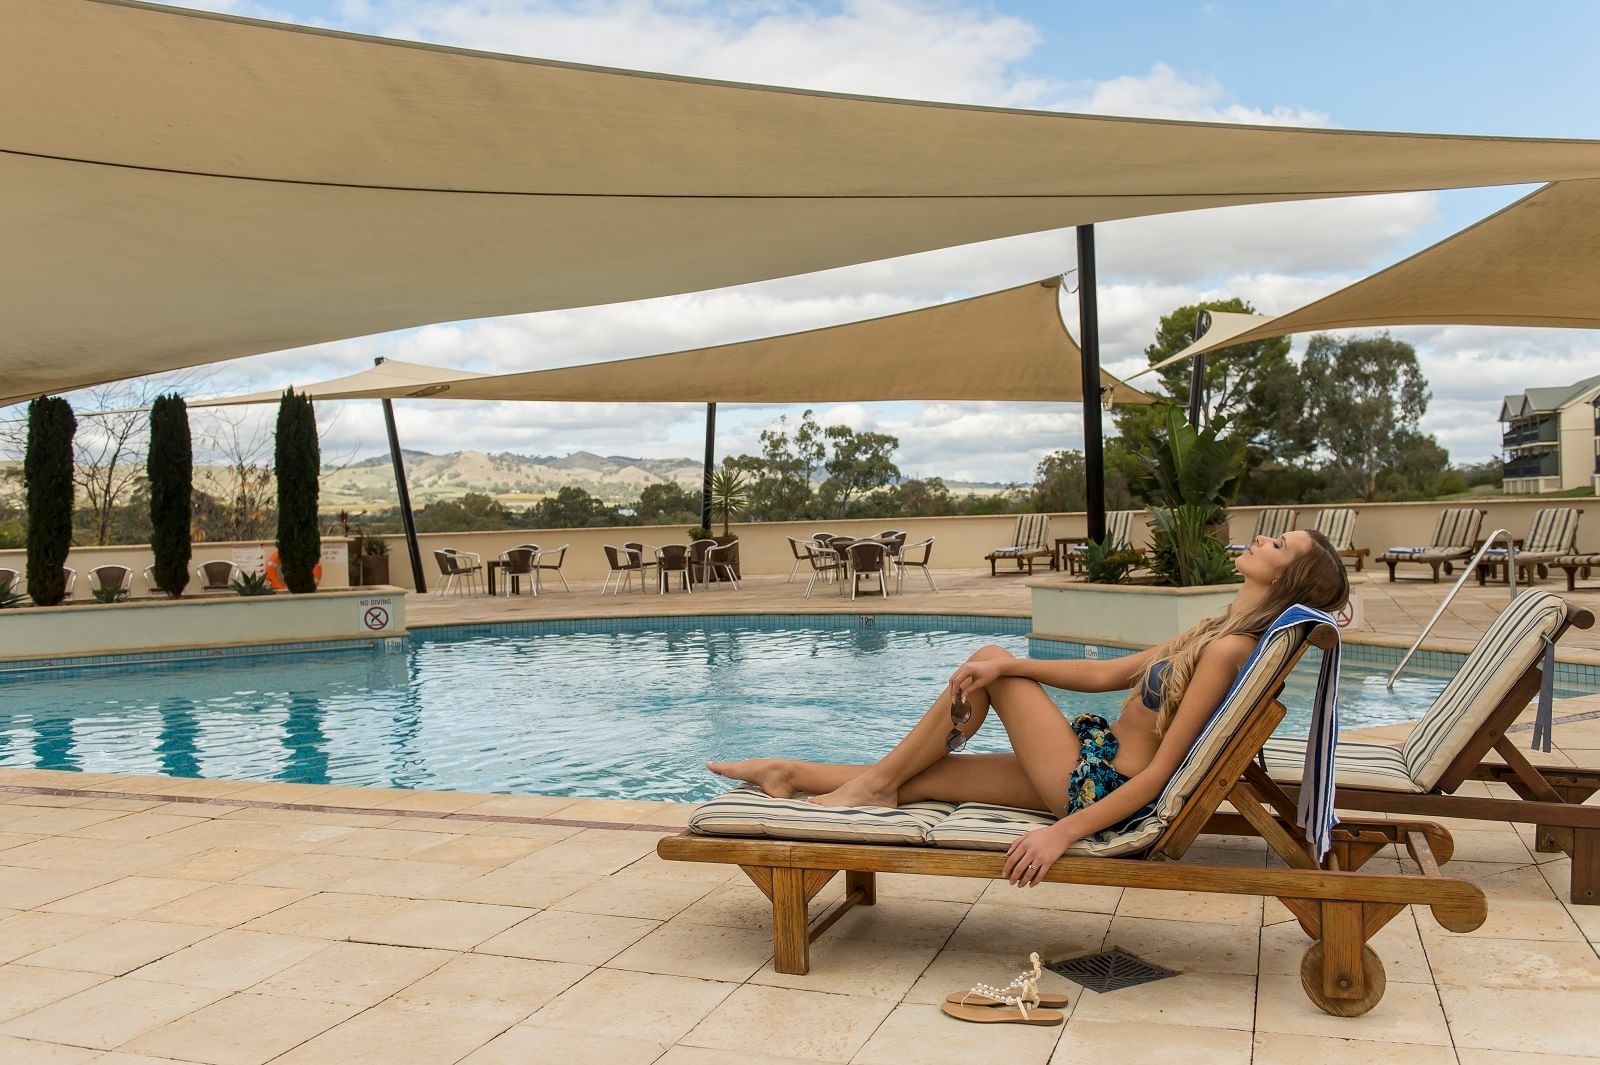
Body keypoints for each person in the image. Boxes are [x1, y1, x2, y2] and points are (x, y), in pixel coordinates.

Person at [709, 529, 1349, 887]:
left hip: (1093, 788)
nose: (1262, 536)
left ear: (1287, 578)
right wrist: (1014, 666)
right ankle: (789, 775)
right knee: (926, 777)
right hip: (1085, 761)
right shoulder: (1213, 630)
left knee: (986, 658)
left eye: (1279, 544)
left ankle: (872, 785)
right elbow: (1106, 673)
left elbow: (1159, 778)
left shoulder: (1228, 651)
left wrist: (1060, 832)